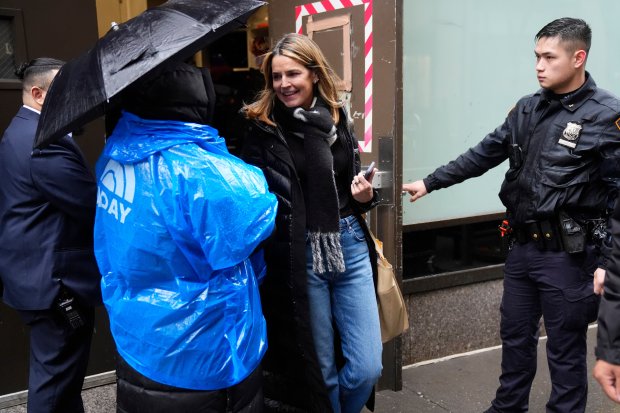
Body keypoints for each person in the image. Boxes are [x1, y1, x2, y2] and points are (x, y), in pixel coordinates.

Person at [402, 18, 620, 413]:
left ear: (578, 58)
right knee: (515, 338)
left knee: (564, 349)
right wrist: (431, 182)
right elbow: (484, 154)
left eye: (549, 57)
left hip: (569, 257)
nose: (538, 65)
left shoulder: (607, 116)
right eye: (536, 56)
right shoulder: (527, 108)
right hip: (522, 249)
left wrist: (609, 263)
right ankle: (508, 407)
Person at [93, 61, 277, 412]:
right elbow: (250, 224)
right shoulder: (201, 172)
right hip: (203, 352)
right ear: (199, 102)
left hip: (137, 337)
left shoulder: (115, 156)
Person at [241, 33, 383, 413]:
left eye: (293, 74)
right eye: (276, 76)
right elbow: (250, 196)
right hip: (298, 252)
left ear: (314, 74)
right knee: (320, 371)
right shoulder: (262, 128)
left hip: (349, 243)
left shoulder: (336, 119)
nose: (284, 84)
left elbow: (348, 184)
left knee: (368, 366)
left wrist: (366, 196)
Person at [0, 58, 102, 412]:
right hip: (55, 283)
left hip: (34, 275)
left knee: (61, 379)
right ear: (39, 94)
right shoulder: (44, 141)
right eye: (66, 91)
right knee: (56, 382)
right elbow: (90, 205)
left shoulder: (20, 130)